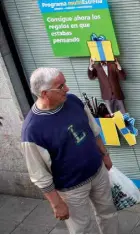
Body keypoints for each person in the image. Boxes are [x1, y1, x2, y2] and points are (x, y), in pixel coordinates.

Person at [21, 67, 118, 234]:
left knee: (108, 214)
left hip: (98, 172)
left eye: (64, 83)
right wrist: (56, 203)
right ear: (44, 94)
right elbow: (39, 175)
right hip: (71, 188)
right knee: (81, 229)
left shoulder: (73, 101)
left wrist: (105, 155)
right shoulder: (32, 131)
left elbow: (93, 130)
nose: (67, 88)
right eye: (60, 86)